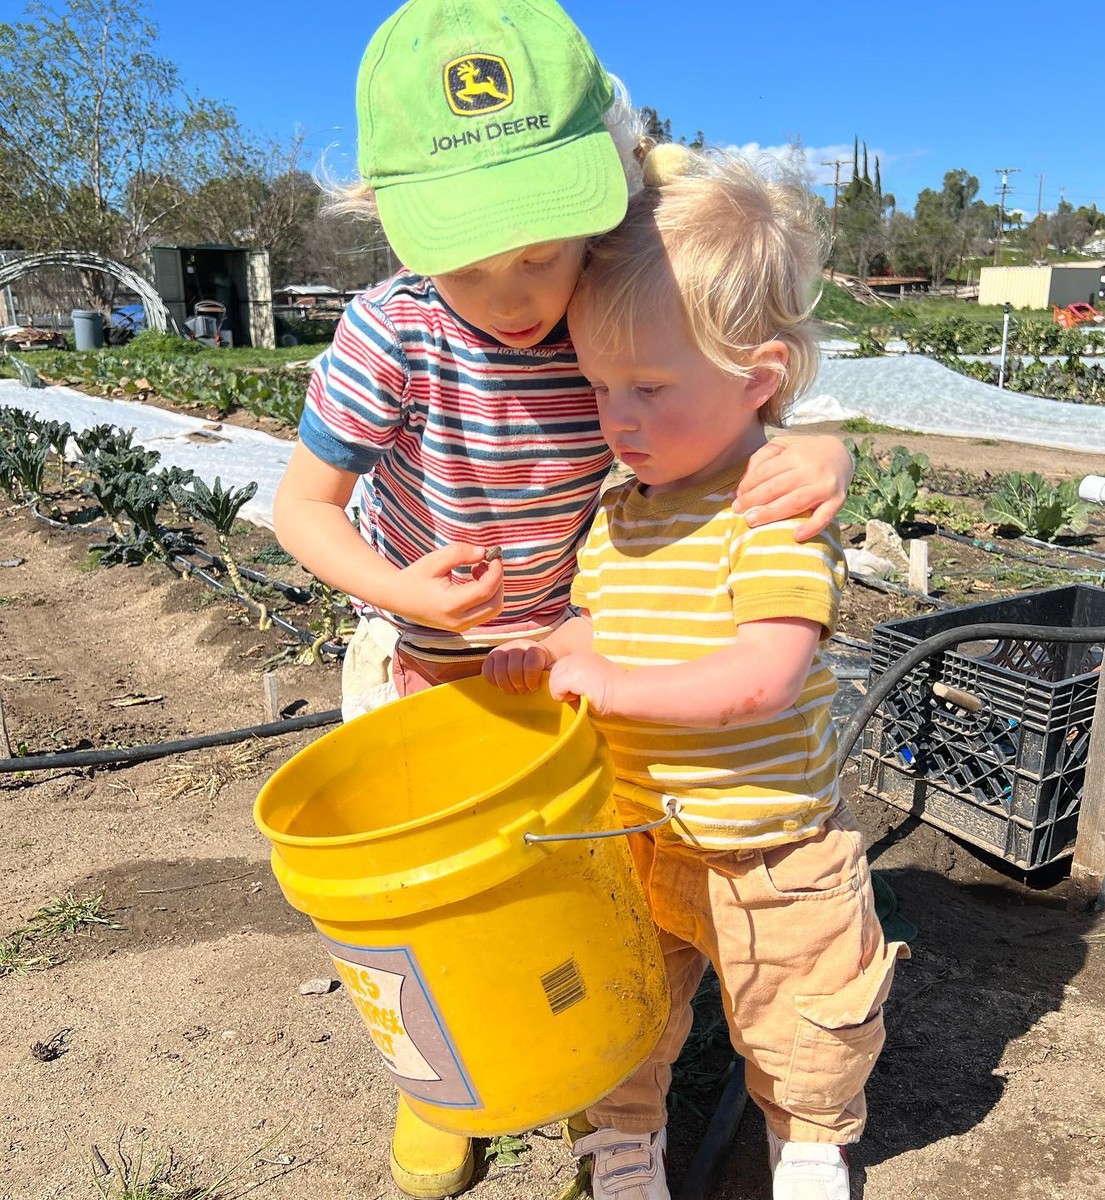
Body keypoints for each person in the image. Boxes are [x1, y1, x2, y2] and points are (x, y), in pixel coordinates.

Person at [272, 2, 855, 1195]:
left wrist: (821, 446)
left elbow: (728, 376)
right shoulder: (396, 335)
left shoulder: (610, 301)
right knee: (422, 902)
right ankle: (445, 1090)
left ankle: (593, 1074)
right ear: (390, 217)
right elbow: (301, 510)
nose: (514, 294)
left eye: (542, 251)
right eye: (470, 260)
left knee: (560, 889)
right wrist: (397, 589)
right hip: (424, 659)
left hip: (569, 661)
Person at [483, 146, 908, 1200]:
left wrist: (616, 690)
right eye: (598, 386)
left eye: (649, 387)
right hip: (637, 833)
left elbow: (765, 674)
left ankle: (808, 1144)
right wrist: (550, 653)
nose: (616, 417)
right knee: (624, 1001)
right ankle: (628, 1139)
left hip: (768, 844)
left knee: (802, 1014)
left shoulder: (769, 508)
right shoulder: (621, 512)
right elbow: (601, 625)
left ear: (758, 378)